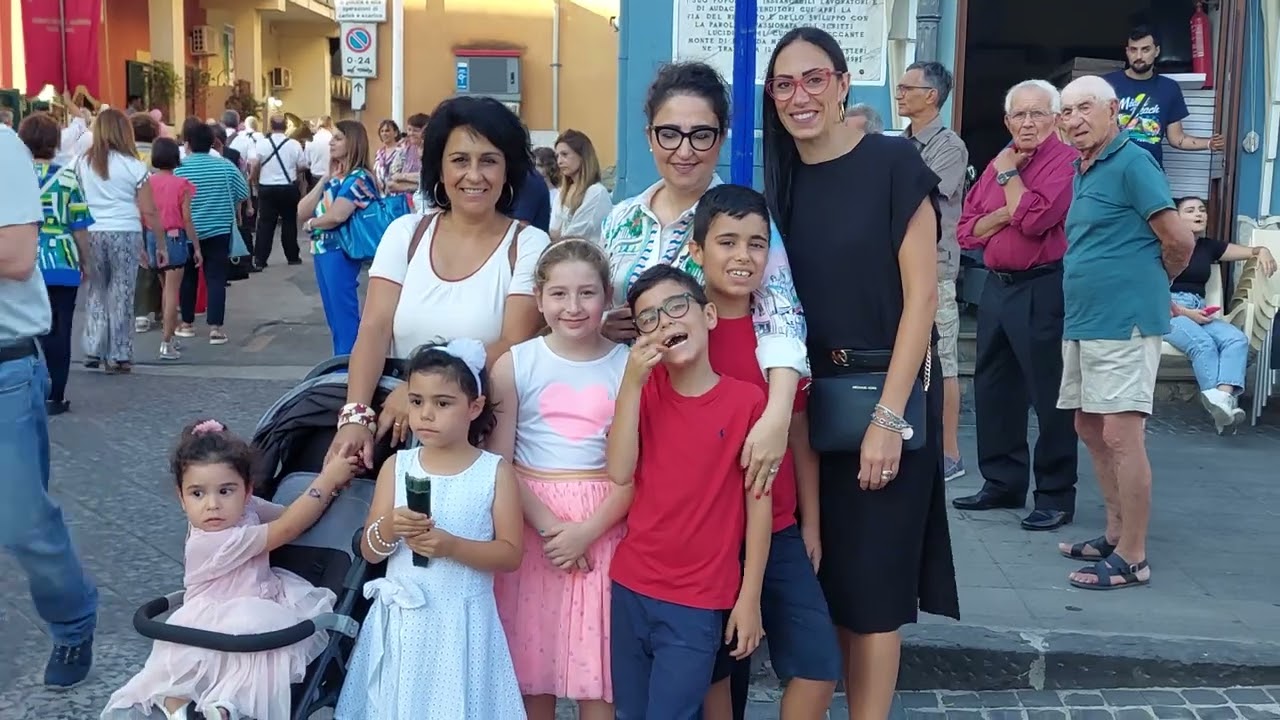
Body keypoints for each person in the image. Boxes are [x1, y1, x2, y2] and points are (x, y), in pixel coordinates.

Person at [760, 27, 959, 719]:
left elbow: (923, 299)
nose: (800, 95)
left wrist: (888, 419)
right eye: (784, 84)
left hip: (884, 396)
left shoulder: (894, 163)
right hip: (812, 413)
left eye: (815, 79)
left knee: (874, 597)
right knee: (834, 584)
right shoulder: (780, 181)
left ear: (844, 84)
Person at [600, 61, 809, 499]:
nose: (684, 150)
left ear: (721, 136)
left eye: (701, 134)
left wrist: (777, 416)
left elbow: (783, 318)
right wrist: (603, 325)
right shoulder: (620, 219)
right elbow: (594, 304)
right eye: (669, 133)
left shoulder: (745, 222)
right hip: (628, 410)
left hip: (707, 421)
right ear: (649, 136)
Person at [326, 96, 550, 470]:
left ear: (508, 169)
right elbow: (375, 327)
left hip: (483, 433)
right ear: (439, 169)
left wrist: (420, 391)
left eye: (489, 161)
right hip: (396, 428)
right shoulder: (405, 233)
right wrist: (355, 417)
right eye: (460, 160)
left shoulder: (528, 244)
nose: (474, 175)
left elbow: (513, 342)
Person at [691, 185, 840, 720]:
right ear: (696, 251)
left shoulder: (779, 331)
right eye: (727, 242)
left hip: (777, 527)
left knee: (818, 665)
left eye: (755, 244)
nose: (742, 256)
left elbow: (798, 432)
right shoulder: (686, 332)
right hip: (706, 533)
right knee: (714, 672)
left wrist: (811, 524)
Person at [102, 420, 355, 720]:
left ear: (247, 491)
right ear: (181, 498)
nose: (213, 505)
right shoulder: (211, 540)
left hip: (258, 602)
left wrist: (334, 491)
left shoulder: (248, 509)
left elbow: (292, 515)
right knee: (256, 642)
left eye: (225, 491)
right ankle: (180, 703)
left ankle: (217, 707)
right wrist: (327, 479)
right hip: (214, 619)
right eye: (197, 494)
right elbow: (287, 528)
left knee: (259, 659)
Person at [606, 264, 770, 718]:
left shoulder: (747, 402)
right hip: (631, 586)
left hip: (698, 600)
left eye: (677, 306)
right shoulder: (644, 390)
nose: (666, 321)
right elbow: (619, 471)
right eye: (649, 318)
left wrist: (750, 598)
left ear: (709, 316)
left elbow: (758, 510)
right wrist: (632, 383)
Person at [1054, 75, 1194, 590]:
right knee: (1089, 428)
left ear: (1113, 109)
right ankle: (1114, 534)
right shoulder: (1082, 167)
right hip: (1086, 319)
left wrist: (1156, 283)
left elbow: (1178, 237)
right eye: (1065, 112)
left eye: (1084, 108)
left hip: (1124, 321)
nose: (1073, 120)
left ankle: (1133, 556)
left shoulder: (1133, 162)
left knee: (1120, 433)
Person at [336, 341, 526, 719]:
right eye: (417, 401)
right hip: (404, 625)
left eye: (442, 403)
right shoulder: (398, 467)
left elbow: (510, 553)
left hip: (462, 625)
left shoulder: (493, 472)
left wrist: (454, 547)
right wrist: (389, 527)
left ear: (474, 407)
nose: (426, 414)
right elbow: (371, 550)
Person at [490, 240, 632, 720]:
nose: (573, 307)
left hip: (604, 524)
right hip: (532, 527)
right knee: (533, 666)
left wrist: (587, 531)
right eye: (559, 294)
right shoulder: (515, 364)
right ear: (538, 297)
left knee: (599, 673)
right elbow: (499, 462)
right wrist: (552, 527)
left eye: (587, 293)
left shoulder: (628, 366)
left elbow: (638, 467)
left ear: (608, 295)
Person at [953, 79, 1080, 532]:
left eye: (1037, 114)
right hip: (997, 286)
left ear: (1055, 119)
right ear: (1007, 121)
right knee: (994, 388)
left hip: (1045, 286)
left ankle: (1054, 495)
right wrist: (1012, 206)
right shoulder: (1000, 159)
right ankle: (1002, 482)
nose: (1027, 123)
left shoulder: (1064, 162)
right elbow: (967, 230)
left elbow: (1038, 218)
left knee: (1050, 395)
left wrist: (1009, 187)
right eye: (1019, 115)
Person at [0, 121, 99, 689]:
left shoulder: (5, 150)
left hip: (7, 364)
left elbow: (14, 254)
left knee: (21, 522)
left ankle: (72, 620)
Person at [896, 60, 970, 481]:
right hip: (901, 266)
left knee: (943, 363)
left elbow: (921, 194)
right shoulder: (900, 142)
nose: (901, 93)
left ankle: (950, 454)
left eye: (909, 87)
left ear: (932, 96)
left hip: (936, 268)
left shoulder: (948, 146)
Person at [1167, 196, 1276, 430]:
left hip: (1199, 309)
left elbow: (1250, 251)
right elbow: (1150, 289)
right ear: (1176, 218)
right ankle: (1222, 410)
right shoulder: (1165, 246)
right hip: (1168, 310)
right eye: (1190, 210)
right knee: (1203, 344)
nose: (1199, 214)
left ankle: (1223, 400)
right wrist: (1186, 312)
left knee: (1236, 339)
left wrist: (1263, 249)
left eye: (1202, 209)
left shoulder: (1208, 246)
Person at [76, 108, 166, 372]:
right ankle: (119, 352)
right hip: (125, 231)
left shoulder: (81, 162)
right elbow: (149, 210)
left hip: (91, 231)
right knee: (122, 292)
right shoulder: (134, 165)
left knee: (96, 290)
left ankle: (93, 347)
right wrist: (160, 244)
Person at [19, 113, 93, 415]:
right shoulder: (67, 177)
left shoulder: (14, 177)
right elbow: (79, 224)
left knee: (26, 329)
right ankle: (56, 395)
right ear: (54, 143)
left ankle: (28, 386)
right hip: (62, 260)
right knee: (61, 328)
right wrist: (86, 262)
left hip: (24, 259)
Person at [298, 120, 380, 356]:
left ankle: (349, 369)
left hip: (341, 251)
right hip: (324, 250)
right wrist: (324, 179)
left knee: (344, 318)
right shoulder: (337, 178)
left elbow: (337, 215)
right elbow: (302, 210)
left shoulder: (360, 178)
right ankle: (343, 365)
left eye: (338, 138)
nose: (331, 142)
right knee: (335, 317)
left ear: (353, 142)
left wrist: (313, 224)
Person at [1104, 25, 1224, 167]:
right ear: (1127, 52)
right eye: (1133, 50)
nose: (1139, 56)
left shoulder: (1169, 88)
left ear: (1157, 51)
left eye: (1145, 49)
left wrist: (1210, 143)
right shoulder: (1106, 84)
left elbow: (1177, 138)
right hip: (1110, 173)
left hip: (1149, 173)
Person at [174, 121, 250, 346]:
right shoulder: (226, 166)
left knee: (188, 277)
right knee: (216, 278)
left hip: (188, 231)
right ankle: (216, 328)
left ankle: (187, 324)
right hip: (219, 229)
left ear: (187, 144)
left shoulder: (180, 169)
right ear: (213, 143)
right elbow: (243, 192)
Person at [147, 138, 201, 361]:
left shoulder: (147, 183)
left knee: (164, 289)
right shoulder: (182, 184)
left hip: (151, 236)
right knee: (172, 293)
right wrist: (196, 247)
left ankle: (167, 334)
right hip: (174, 237)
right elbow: (187, 219)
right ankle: (166, 342)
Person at [250, 114, 306, 270]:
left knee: (265, 224)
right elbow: (302, 165)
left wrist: (253, 180)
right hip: (288, 186)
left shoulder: (262, 144)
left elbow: (254, 164)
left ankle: (260, 258)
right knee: (289, 222)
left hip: (267, 187)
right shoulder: (294, 144)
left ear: (270, 126)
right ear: (286, 126)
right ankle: (292, 256)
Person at [549, 130, 613, 245]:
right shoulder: (562, 192)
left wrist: (558, 236)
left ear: (582, 155)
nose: (559, 161)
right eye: (557, 156)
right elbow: (553, 231)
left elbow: (575, 236)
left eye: (564, 155)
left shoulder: (596, 193)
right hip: (562, 255)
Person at [374, 119, 403, 191]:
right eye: (382, 131)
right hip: (381, 194)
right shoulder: (379, 153)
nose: (384, 134)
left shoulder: (402, 151)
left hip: (398, 193)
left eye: (387, 131)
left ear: (395, 133)